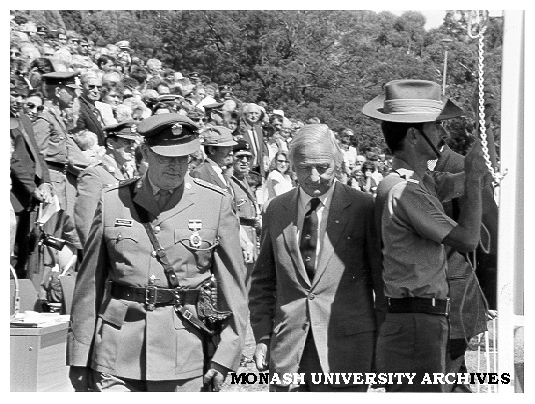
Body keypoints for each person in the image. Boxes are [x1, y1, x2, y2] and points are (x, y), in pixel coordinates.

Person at [67, 113, 248, 392]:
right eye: (167, 158)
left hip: (183, 350)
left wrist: (227, 354)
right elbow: (89, 284)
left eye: (184, 158)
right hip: (117, 347)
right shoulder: (113, 200)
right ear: (146, 153)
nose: (177, 167)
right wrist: (79, 356)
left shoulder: (215, 203)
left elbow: (233, 288)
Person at [363, 79, 490, 392]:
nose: (443, 134)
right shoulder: (406, 190)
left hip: (419, 319)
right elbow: (467, 239)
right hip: (416, 321)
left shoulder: (415, 183)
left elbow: (462, 177)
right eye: (436, 127)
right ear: (412, 135)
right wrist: (473, 181)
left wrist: (480, 145)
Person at [248, 124, 386, 392]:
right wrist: (263, 336)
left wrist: (382, 342)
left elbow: (380, 281)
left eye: (323, 167)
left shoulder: (363, 207)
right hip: (289, 351)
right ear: (291, 165)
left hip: (346, 351)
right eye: (304, 167)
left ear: (337, 163)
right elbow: (264, 282)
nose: (313, 177)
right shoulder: (276, 209)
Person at [74, 121, 138, 248]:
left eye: (133, 142)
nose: (132, 147)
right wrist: (92, 253)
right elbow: (85, 220)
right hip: (103, 246)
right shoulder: (95, 173)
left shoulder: (123, 173)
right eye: (126, 142)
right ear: (110, 143)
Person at [228, 140, 261, 287]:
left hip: (252, 236)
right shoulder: (229, 182)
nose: (245, 161)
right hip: (240, 237)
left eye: (248, 158)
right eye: (240, 157)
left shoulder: (244, 181)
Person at [76, 72, 106, 146]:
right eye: (91, 87)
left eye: (99, 87)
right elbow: (80, 138)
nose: (96, 91)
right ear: (81, 88)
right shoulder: (78, 108)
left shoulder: (95, 109)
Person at [239, 103, 267, 177]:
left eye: (256, 113)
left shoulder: (259, 130)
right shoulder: (240, 130)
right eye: (251, 113)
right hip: (246, 168)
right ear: (245, 114)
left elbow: (262, 149)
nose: (254, 116)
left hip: (258, 169)